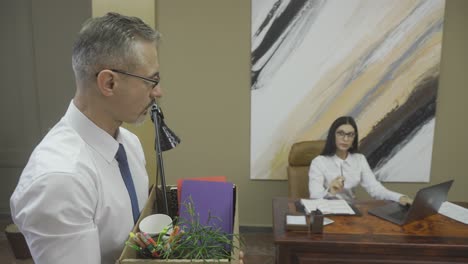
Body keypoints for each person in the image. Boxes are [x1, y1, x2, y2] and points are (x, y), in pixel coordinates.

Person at [9, 13, 245, 264]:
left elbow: (138, 241)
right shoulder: (61, 181)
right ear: (109, 83)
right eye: (151, 81)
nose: (159, 92)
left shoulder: (129, 144)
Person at [308, 116, 412, 205]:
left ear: (354, 138)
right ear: (332, 136)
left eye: (350, 135)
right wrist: (330, 191)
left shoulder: (359, 159)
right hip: (327, 210)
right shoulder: (319, 162)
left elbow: (375, 189)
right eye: (340, 133)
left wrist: (399, 198)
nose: (345, 139)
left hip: (351, 211)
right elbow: (314, 196)